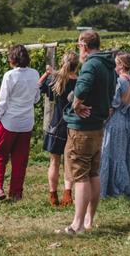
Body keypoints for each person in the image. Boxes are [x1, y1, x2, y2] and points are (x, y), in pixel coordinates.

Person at [59, 30, 116, 235]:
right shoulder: (108, 64)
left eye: (79, 45)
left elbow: (82, 89)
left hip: (82, 128)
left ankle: (77, 224)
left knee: (80, 176)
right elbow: (111, 92)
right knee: (93, 173)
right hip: (98, 125)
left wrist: (76, 105)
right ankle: (90, 220)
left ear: (84, 45)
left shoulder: (91, 64)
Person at [0, 45, 40, 202]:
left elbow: (2, 100)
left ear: (12, 59)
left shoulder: (10, 76)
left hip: (8, 121)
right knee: (20, 159)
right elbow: (36, 98)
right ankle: (16, 193)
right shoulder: (34, 74)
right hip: (26, 122)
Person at [38, 52, 78, 207]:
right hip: (73, 125)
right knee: (69, 162)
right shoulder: (80, 82)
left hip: (56, 125)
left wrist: (48, 72)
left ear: (63, 63)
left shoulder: (56, 79)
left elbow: (39, 85)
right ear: (77, 65)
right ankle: (68, 194)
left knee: (54, 162)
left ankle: (53, 196)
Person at [100, 52, 130, 198]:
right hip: (128, 121)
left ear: (121, 65)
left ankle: (110, 190)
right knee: (123, 155)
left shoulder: (119, 82)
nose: (114, 67)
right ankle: (123, 188)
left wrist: (104, 121)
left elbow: (114, 104)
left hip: (115, 121)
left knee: (109, 153)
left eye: (116, 64)